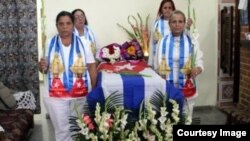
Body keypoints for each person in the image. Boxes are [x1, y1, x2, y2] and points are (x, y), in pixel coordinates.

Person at [38, 11, 97, 141]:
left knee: (77, 127)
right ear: (57, 26)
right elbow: (45, 67)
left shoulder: (84, 42)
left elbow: (92, 66)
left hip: (80, 93)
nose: (65, 27)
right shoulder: (49, 43)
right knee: (62, 130)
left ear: (73, 25)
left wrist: (94, 89)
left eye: (68, 23)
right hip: (55, 95)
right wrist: (42, 65)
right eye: (61, 24)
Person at [154, 10, 203, 120]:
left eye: (180, 21)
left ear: (185, 23)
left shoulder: (192, 41)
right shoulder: (162, 42)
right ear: (169, 24)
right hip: (167, 87)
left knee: (185, 118)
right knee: (168, 120)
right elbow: (156, 65)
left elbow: (199, 62)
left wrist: (197, 69)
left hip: (186, 86)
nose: (177, 24)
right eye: (174, 21)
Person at [148, 0, 192, 68]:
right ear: (161, 10)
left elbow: (186, 38)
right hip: (159, 58)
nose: (167, 10)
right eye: (165, 8)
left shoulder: (178, 23)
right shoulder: (156, 23)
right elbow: (152, 42)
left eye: (170, 8)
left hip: (175, 58)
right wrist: (150, 62)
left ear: (173, 9)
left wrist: (188, 27)